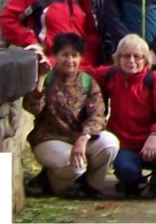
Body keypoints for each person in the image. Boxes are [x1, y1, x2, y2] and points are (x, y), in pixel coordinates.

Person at [22, 31, 121, 197]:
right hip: (49, 139)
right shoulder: (47, 78)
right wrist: (41, 79)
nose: (70, 61)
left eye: (74, 56)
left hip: (78, 138)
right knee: (75, 165)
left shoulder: (87, 81)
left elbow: (97, 115)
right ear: (55, 56)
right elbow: (33, 108)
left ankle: (92, 186)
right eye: (64, 55)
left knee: (109, 143)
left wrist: (84, 138)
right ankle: (53, 184)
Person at [99, 33, 156, 199]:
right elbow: (80, 69)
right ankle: (130, 181)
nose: (131, 61)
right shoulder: (111, 75)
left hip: (151, 143)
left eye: (137, 56)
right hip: (124, 144)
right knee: (127, 172)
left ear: (145, 59)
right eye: (126, 56)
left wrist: (155, 135)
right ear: (118, 58)